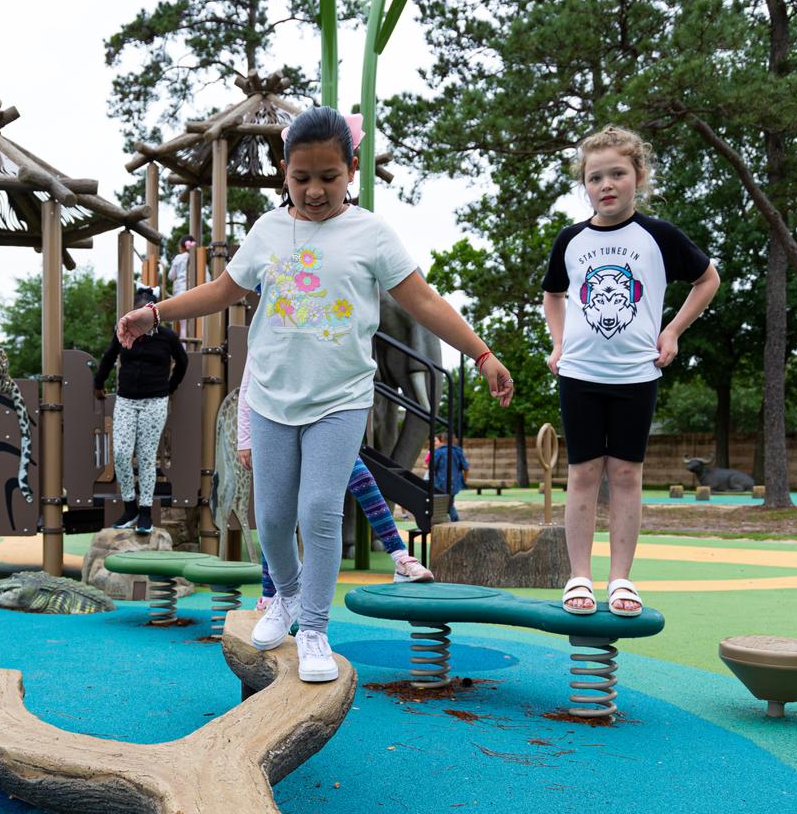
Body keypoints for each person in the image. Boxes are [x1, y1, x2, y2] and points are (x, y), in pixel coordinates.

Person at [115, 105, 511, 683]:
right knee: (273, 518)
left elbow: (423, 300)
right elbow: (223, 289)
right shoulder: (269, 231)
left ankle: (317, 631)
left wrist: (481, 353)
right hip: (273, 396)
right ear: (284, 172)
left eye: (329, 177)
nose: (315, 190)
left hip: (341, 397)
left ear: (351, 171)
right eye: (302, 178)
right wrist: (155, 313)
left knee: (319, 511)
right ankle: (287, 598)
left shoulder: (370, 234)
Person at [541, 125, 720, 617]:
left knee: (624, 474)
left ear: (638, 176)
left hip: (636, 376)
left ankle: (621, 580)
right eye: (595, 176)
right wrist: (558, 345)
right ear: (585, 184)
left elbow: (708, 280)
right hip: (579, 374)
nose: (607, 185)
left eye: (617, 173)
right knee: (581, 475)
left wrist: (673, 332)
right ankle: (579, 576)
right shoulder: (571, 240)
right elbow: (552, 294)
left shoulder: (658, 236)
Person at [233, 368, 434, 604]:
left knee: (362, 481)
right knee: (278, 514)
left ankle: (400, 556)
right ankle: (269, 595)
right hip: (282, 422)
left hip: (324, 422)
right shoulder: (272, 334)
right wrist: (245, 438)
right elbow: (251, 379)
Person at [95, 285, 188, 534]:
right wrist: (98, 383)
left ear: (153, 314)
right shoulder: (126, 331)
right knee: (122, 453)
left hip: (155, 401)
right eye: (137, 310)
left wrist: (170, 387)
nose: (140, 315)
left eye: (145, 310)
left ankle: (145, 511)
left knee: (147, 456)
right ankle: (130, 507)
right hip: (126, 400)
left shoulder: (167, 337)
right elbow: (108, 356)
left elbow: (183, 361)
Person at [428, 431, 468, 521]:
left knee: (445, 503)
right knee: (450, 502)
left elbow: (431, 467)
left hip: (440, 483)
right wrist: (464, 480)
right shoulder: (458, 451)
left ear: (442, 439)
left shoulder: (438, 452)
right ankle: (452, 519)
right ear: (454, 439)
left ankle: (453, 519)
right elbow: (465, 467)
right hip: (455, 482)